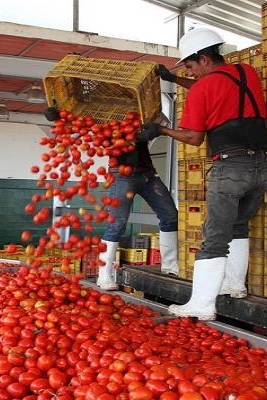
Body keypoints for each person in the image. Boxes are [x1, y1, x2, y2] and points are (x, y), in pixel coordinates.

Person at [143, 28, 267, 320]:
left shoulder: (203, 89)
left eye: (189, 66)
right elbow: (217, 86)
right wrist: (175, 79)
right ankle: (234, 285)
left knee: (214, 237)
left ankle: (201, 304)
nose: (191, 72)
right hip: (262, 165)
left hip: (231, 167)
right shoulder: (246, 73)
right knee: (239, 226)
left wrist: (162, 130)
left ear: (202, 59)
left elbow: (193, 137)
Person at [43, 109, 179, 290]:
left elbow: (163, 120)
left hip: (148, 175)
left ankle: (170, 267)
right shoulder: (104, 122)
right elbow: (77, 125)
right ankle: (104, 275)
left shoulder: (137, 113)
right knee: (117, 224)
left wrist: (155, 124)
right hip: (122, 177)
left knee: (170, 215)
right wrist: (58, 116)